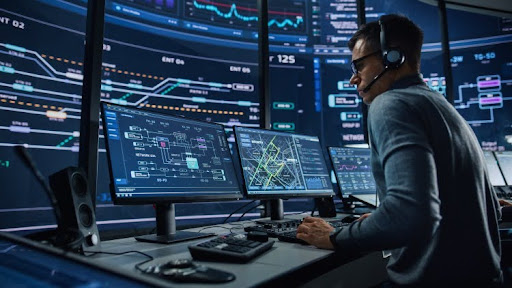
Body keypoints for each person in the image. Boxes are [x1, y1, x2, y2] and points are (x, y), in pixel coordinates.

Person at [296, 14, 503, 287]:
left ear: (393, 58)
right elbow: (490, 211)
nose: (353, 80)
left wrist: (336, 237)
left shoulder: (391, 104)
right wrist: (383, 219)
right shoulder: (442, 107)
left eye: (359, 66)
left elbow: (409, 214)